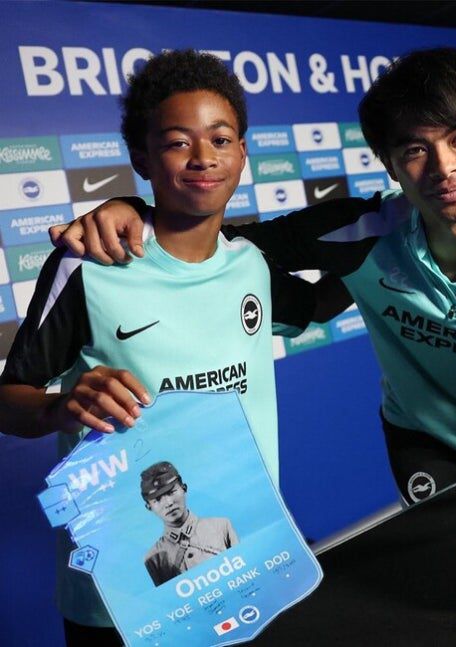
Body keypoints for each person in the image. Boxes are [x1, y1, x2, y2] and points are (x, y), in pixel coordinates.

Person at [52, 47, 456, 506]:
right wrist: (132, 210)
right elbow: (213, 240)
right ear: (389, 164)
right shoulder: (362, 233)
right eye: (415, 149)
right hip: (427, 443)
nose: (444, 167)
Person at [0, 50, 331, 646]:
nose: (203, 157)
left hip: (239, 561)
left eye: (221, 139)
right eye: (178, 142)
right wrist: (59, 407)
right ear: (141, 158)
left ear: (242, 153)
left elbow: (323, 299)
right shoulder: (89, 263)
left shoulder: (251, 264)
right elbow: (8, 399)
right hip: (124, 591)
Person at [140, 461, 238, 586]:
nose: (168, 503)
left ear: (184, 488)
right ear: (149, 507)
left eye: (171, 492)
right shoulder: (154, 558)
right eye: (157, 499)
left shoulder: (222, 527)